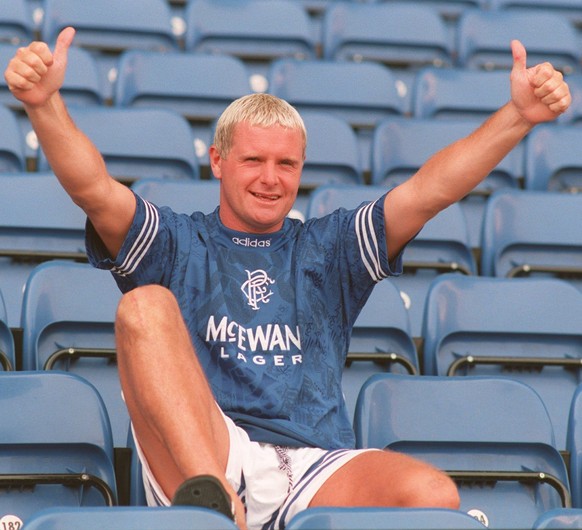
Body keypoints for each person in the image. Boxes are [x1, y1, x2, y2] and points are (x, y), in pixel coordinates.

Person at [5, 27, 570, 530]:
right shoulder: (179, 241)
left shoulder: (329, 248)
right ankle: (218, 508)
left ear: (301, 169)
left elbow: (430, 192)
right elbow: (94, 191)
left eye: (286, 165)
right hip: (208, 452)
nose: (271, 179)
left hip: (313, 464)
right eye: (253, 161)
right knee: (144, 306)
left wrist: (517, 116)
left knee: (431, 494)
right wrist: (44, 103)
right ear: (217, 160)